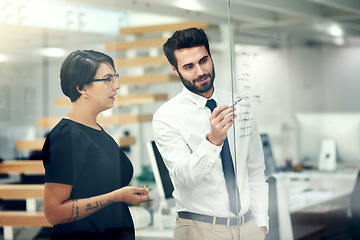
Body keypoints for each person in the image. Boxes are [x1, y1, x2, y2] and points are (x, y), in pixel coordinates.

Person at [152, 28, 268, 240]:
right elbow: (183, 178)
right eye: (188, 66)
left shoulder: (240, 105)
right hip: (200, 228)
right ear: (175, 69)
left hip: (248, 227)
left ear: (211, 56)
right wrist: (213, 141)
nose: (200, 72)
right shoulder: (166, 116)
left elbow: (255, 171)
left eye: (203, 61)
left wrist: (260, 223)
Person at [42, 50, 149, 240]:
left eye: (115, 77)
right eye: (108, 79)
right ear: (82, 88)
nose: (116, 86)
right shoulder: (66, 136)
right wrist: (117, 196)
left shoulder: (96, 130)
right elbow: (54, 212)